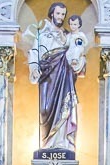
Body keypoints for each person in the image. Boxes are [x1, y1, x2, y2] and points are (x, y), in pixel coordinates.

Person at [23, 2, 82, 153]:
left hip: (64, 76)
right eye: (58, 14)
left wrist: (79, 63)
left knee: (65, 108)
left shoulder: (69, 36)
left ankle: (62, 144)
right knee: (45, 109)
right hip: (47, 75)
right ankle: (46, 143)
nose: (61, 17)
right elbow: (34, 53)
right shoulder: (42, 34)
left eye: (63, 14)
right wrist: (34, 68)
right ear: (51, 14)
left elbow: (77, 53)